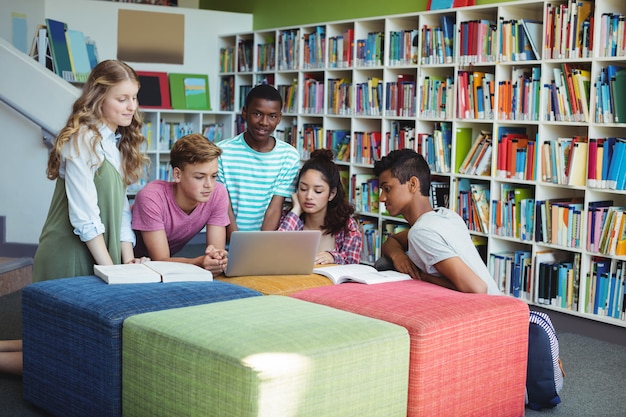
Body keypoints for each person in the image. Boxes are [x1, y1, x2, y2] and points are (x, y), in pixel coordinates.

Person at [1, 60, 148, 376]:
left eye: (134, 98)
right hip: (68, 254)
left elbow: (122, 212)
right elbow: (84, 216)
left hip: (99, 253)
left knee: (50, 340)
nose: (131, 107)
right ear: (99, 98)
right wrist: (110, 269)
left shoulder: (116, 143)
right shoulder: (84, 139)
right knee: (57, 354)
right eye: (122, 99)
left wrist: (127, 261)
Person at [373, 148, 500, 295]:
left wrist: (422, 276)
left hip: (486, 308)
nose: (381, 198)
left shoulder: (421, 232)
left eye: (387, 189)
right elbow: (392, 241)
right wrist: (398, 257)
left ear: (413, 184)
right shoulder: (446, 216)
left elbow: (478, 289)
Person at [132, 133, 229, 275]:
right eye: (199, 177)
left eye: (214, 176)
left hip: (157, 265)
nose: (209, 185)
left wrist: (215, 260)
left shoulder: (218, 193)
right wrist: (199, 262)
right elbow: (160, 261)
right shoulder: (151, 197)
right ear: (177, 175)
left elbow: (216, 253)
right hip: (123, 261)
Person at [217, 84, 300, 239]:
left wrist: (259, 247)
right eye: (257, 114)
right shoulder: (221, 152)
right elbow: (223, 206)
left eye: (272, 116)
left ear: (279, 118)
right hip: (226, 240)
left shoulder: (289, 156)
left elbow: (275, 208)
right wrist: (238, 243)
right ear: (244, 112)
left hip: (265, 242)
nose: (264, 122)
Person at [279, 149, 362, 264]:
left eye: (318, 191)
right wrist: (296, 211)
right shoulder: (287, 219)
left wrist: (334, 258)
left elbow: (353, 265)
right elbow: (276, 252)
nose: (308, 196)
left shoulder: (347, 226)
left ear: (331, 194)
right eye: (303, 189)